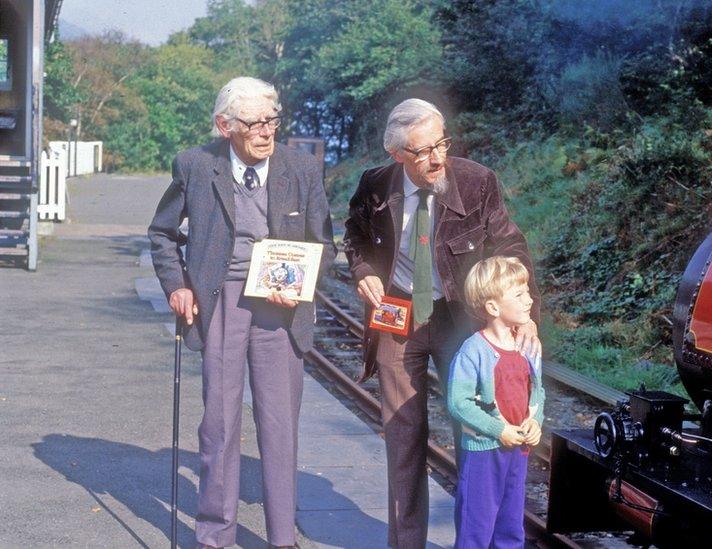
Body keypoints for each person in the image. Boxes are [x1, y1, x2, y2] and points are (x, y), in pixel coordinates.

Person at [343, 98, 541, 547]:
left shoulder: (477, 182)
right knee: (403, 434)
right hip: (398, 315)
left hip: (461, 320)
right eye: (422, 151)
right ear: (397, 155)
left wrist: (524, 315)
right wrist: (363, 271)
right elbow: (353, 233)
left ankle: (475, 540)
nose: (437, 158)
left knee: (475, 433)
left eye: (442, 144)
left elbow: (511, 247)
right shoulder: (375, 184)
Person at [148, 76, 336, 548]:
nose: (265, 132)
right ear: (224, 125)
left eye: (271, 120)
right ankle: (215, 537)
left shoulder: (301, 169)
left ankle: (281, 538)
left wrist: (300, 284)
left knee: (278, 425)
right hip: (221, 301)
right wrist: (178, 287)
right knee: (219, 422)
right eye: (253, 123)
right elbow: (162, 234)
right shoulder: (195, 165)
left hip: (281, 308)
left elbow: (324, 243)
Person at [447, 256, 545, 548]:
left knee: (511, 523)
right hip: (484, 451)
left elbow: (538, 393)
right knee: (475, 525)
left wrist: (535, 423)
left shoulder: (527, 346)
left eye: (527, 291)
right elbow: (459, 402)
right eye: (519, 295)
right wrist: (497, 430)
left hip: (519, 449)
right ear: (492, 307)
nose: (529, 300)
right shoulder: (473, 351)